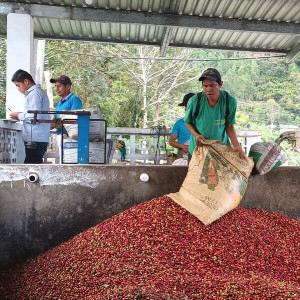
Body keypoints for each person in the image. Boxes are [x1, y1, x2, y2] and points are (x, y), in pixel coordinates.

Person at [184, 68, 245, 161]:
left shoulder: (230, 101)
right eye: (205, 86)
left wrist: (236, 145)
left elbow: (229, 126)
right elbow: (187, 122)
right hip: (198, 151)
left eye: (212, 85)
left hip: (220, 151)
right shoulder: (194, 101)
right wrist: (196, 135)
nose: (208, 89)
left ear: (220, 84)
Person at [9, 69, 51, 163]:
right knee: (32, 166)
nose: (18, 89)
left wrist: (19, 115)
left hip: (35, 139)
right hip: (37, 138)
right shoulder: (37, 93)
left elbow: (34, 116)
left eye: (18, 85)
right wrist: (21, 114)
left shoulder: (34, 94)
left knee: (31, 168)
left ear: (26, 81)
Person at [169, 93, 195, 158]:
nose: (189, 110)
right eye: (187, 107)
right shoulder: (179, 123)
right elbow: (171, 141)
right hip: (184, 152)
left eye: (192, 107)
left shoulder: (201, 122)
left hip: (199, 151)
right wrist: (184, 146)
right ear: (185, 109)